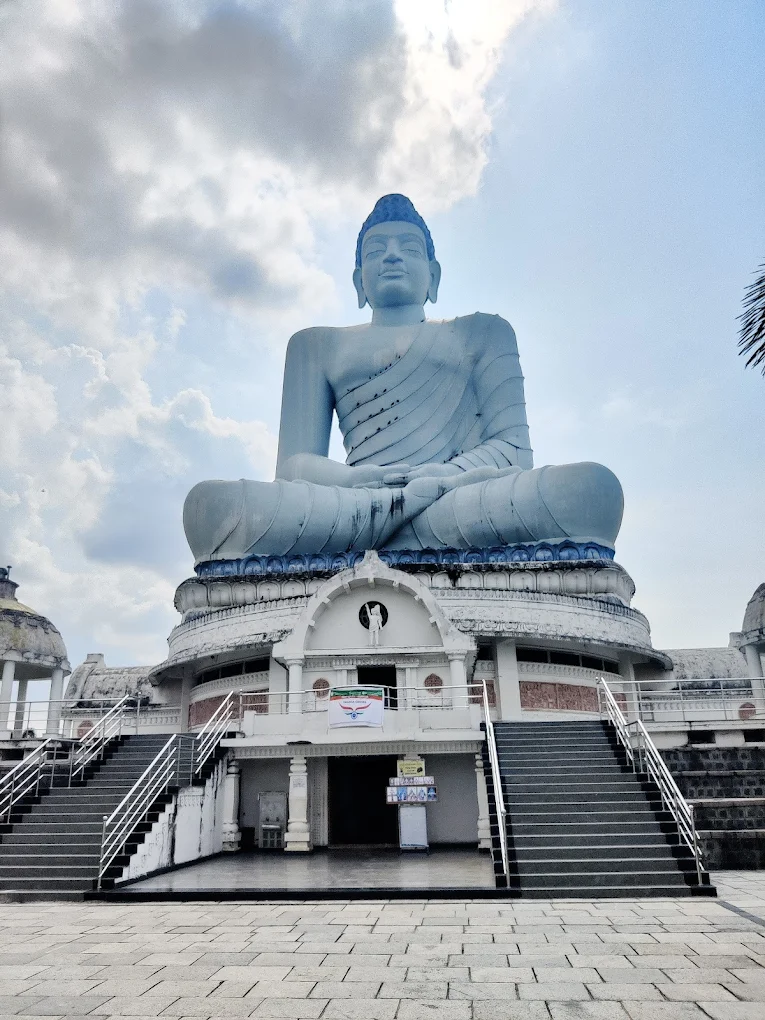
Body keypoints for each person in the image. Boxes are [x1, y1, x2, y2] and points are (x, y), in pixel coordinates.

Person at [184, 194, 623, 562]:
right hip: (356, 503)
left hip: (459, 498)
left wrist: (436, 479)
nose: (391, 256)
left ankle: (393, 530)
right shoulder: (314, 344)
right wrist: (362, 482)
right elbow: (294, 467)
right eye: (376, 252)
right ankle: (402, 528)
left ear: (433, 276)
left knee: (590, 491)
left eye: (408, 248)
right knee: (211, 508)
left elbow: (513, 452)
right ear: (360, 281)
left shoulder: (483, 332)